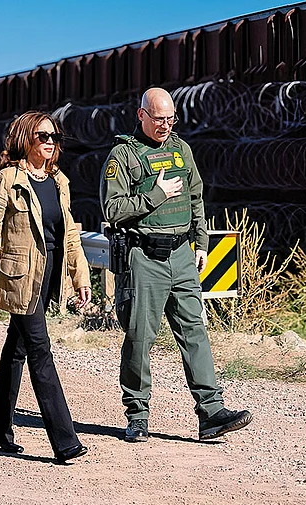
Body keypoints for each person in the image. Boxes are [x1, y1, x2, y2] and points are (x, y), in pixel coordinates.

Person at [100, 87, 252, 442]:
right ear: (142, 115)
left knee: (195, 332)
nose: (165, 125)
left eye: (171, 119)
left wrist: (201, 243)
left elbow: (196, 197)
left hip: (182, 255)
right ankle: (137, 416)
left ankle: (211, 413)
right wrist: (156, 194)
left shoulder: (181, 149)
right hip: (144, 257)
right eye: (159, 119)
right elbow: (112, 209)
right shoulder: (123, 155)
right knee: (140, 338)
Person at [0, 111, 92, 463]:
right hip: (21, 277)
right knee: (41, 350)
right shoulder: (8, 181)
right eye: (43, 136)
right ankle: (65, 441)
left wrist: (80, 277)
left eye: (55, 136)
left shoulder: (58, 180)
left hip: (50, 274)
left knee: (17, 349)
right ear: (26, 139)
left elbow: (70, 234)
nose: (51, 142)